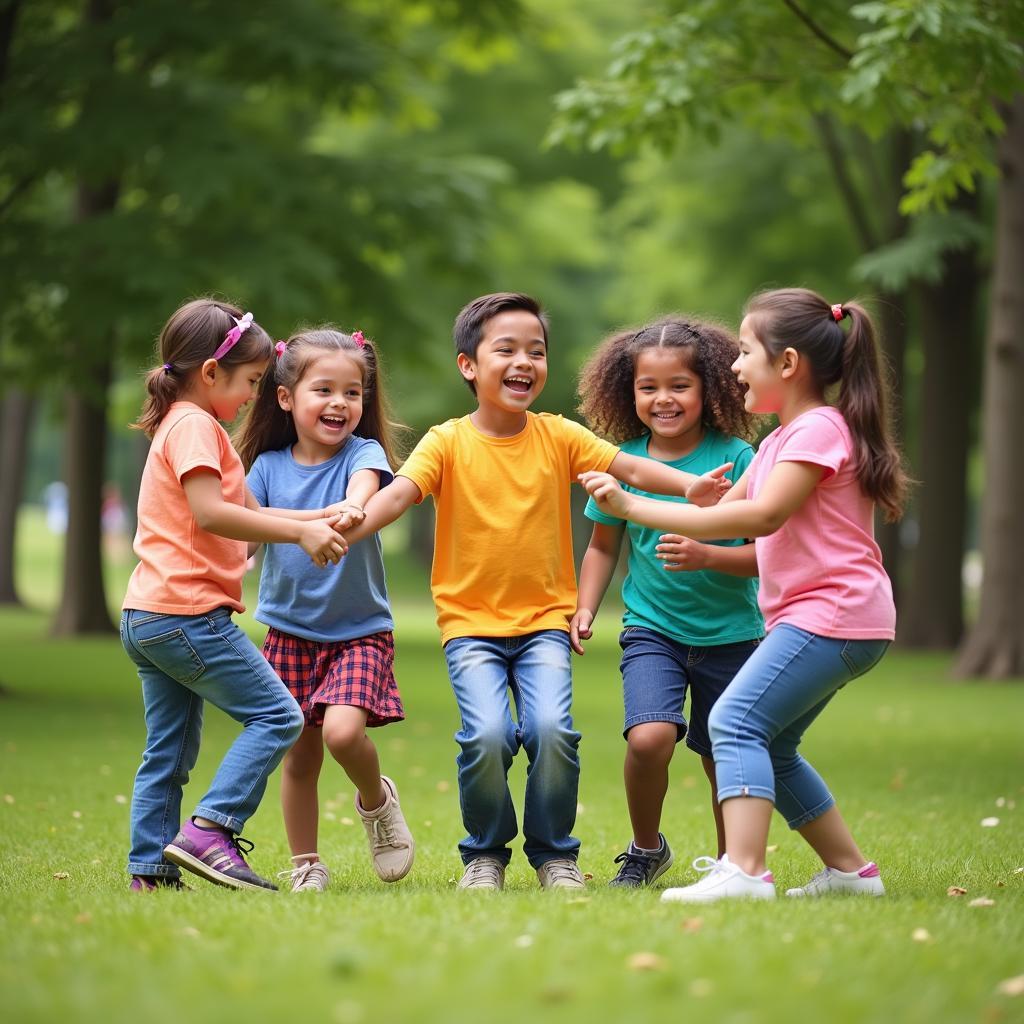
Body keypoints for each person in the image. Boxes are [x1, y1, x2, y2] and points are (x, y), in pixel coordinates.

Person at [336, 292, 732, 891]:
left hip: (545, 620)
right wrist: (347, 526)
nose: (524, 362)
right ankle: (485, 854)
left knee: (551, 731)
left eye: (536, 351)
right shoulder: (446, 442)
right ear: (469, 365)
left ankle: (554, 854)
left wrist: (689, 487)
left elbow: (631, 469)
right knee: (488, 735)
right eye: (507, 350)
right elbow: (398, 493)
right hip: (470, 625)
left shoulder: (559, 436)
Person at [580, 287, 907, 903]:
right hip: (831, 619)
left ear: (787, 364)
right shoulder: (782, 440)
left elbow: (759, 518)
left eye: (746, 350)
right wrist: (651, 501)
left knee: (733, 721)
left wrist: (631, 505)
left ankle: (745, 871)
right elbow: (724, 508)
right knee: (774, 745)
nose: (733, 365)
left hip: (832, 615)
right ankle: (850, 873)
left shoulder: (817, 431)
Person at [122, 298, 346, 893]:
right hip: (188, 614)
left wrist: (320, 515)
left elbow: (252, 512)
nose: (252, 395)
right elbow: (211, 513)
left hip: (148, 614)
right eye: (249, 381)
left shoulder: (187, 424)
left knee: (167, 751)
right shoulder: (196, 425)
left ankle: (150, 869)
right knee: (278, 716)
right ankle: (210, 830)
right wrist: (300, 531)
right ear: (211, 373)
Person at [572, 317, 764, 888]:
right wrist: (585, 607)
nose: (663, 399)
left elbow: (767, 554)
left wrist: (711, 556)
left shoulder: (740, 458)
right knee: (649, 738)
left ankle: (735, 867)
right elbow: (603, 547)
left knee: (721, 752)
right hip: (653, 630)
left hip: (732, 633)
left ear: (709, 387)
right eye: (648, 386)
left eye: (679, 385)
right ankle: (646, 847)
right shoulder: (623, 462)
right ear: (627, 392)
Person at [235, 328, 414, 893]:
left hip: (360, 631)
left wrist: (350, 510)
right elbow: (245, 533)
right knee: (299, 755)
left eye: (353, 393)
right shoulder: (264, 469)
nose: (340, 403)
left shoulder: (363, 454)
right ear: (286, 398)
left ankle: (376, 800)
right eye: (324, 390)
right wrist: (234, 561)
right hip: (288, 632)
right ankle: (306, 863)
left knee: (341, 734)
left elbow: (364, 492)